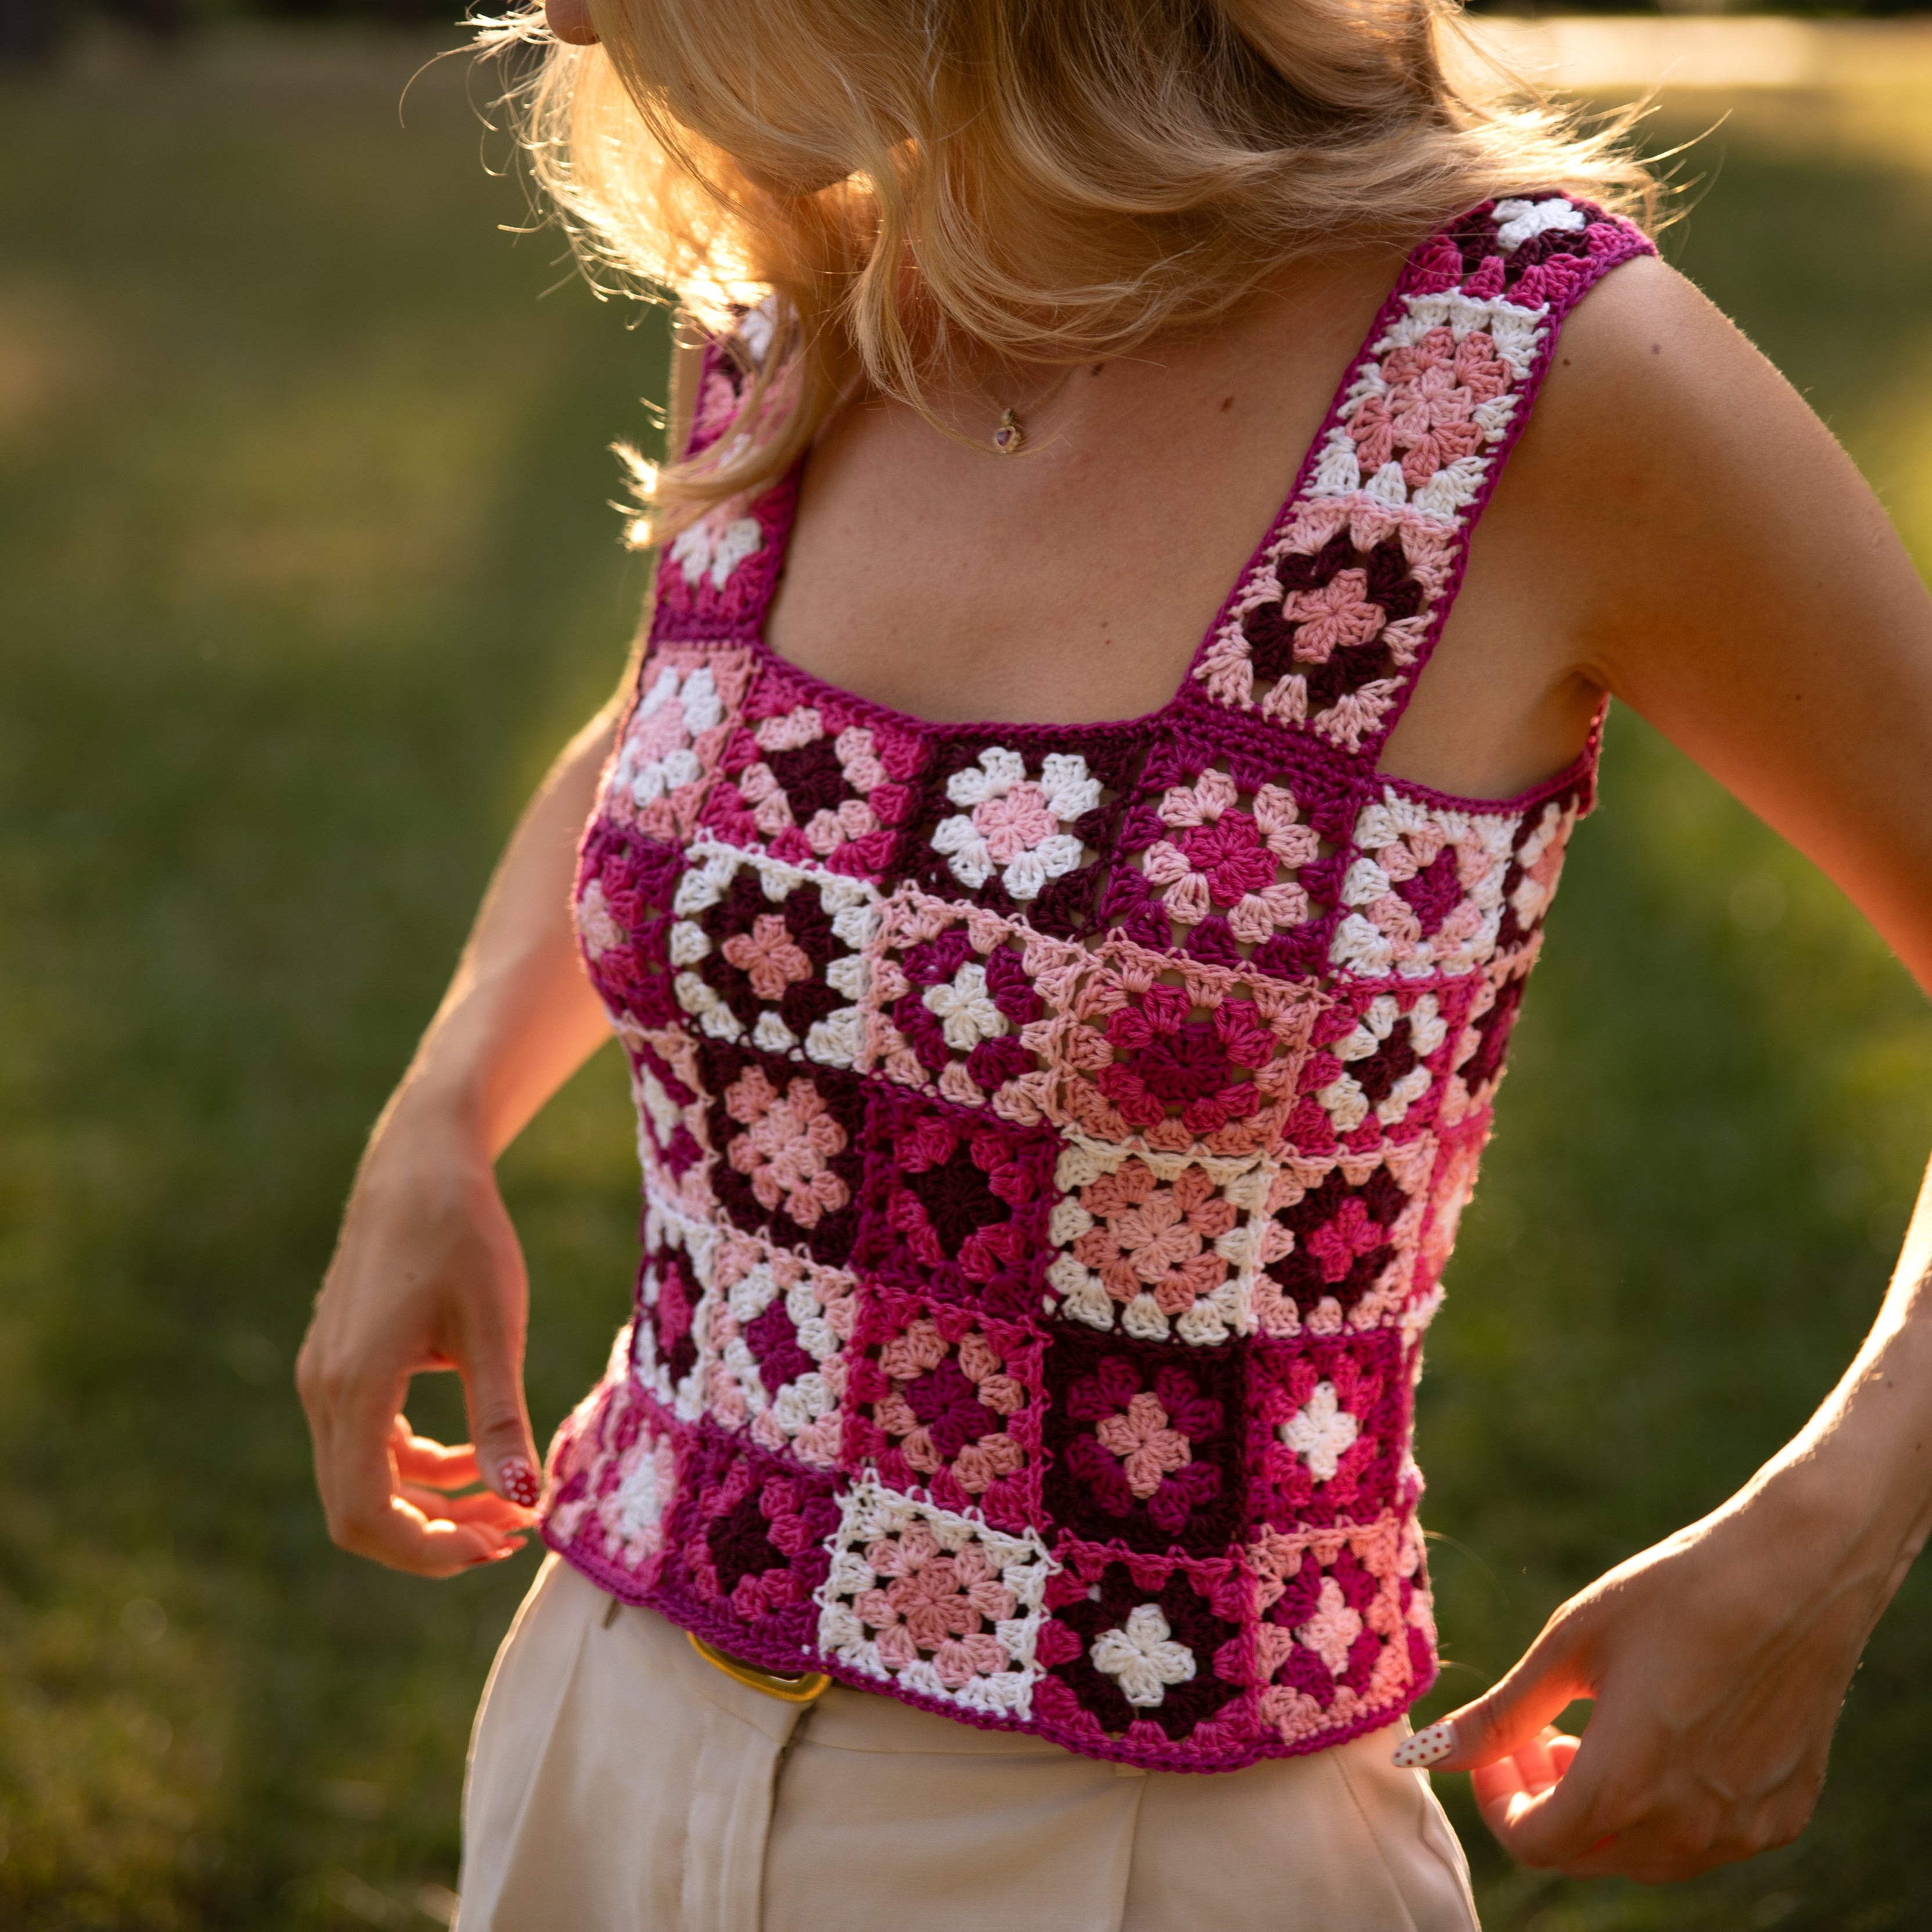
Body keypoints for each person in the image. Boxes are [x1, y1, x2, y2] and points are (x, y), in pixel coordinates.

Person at [296, 0, 1932, 1924]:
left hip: (1159, 1836)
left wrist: (1834, 1528)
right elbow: (692, 715)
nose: (556, 11)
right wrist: (445, 1108)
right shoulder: (813, 282)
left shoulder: (1541, 367)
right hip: (597, 1734)